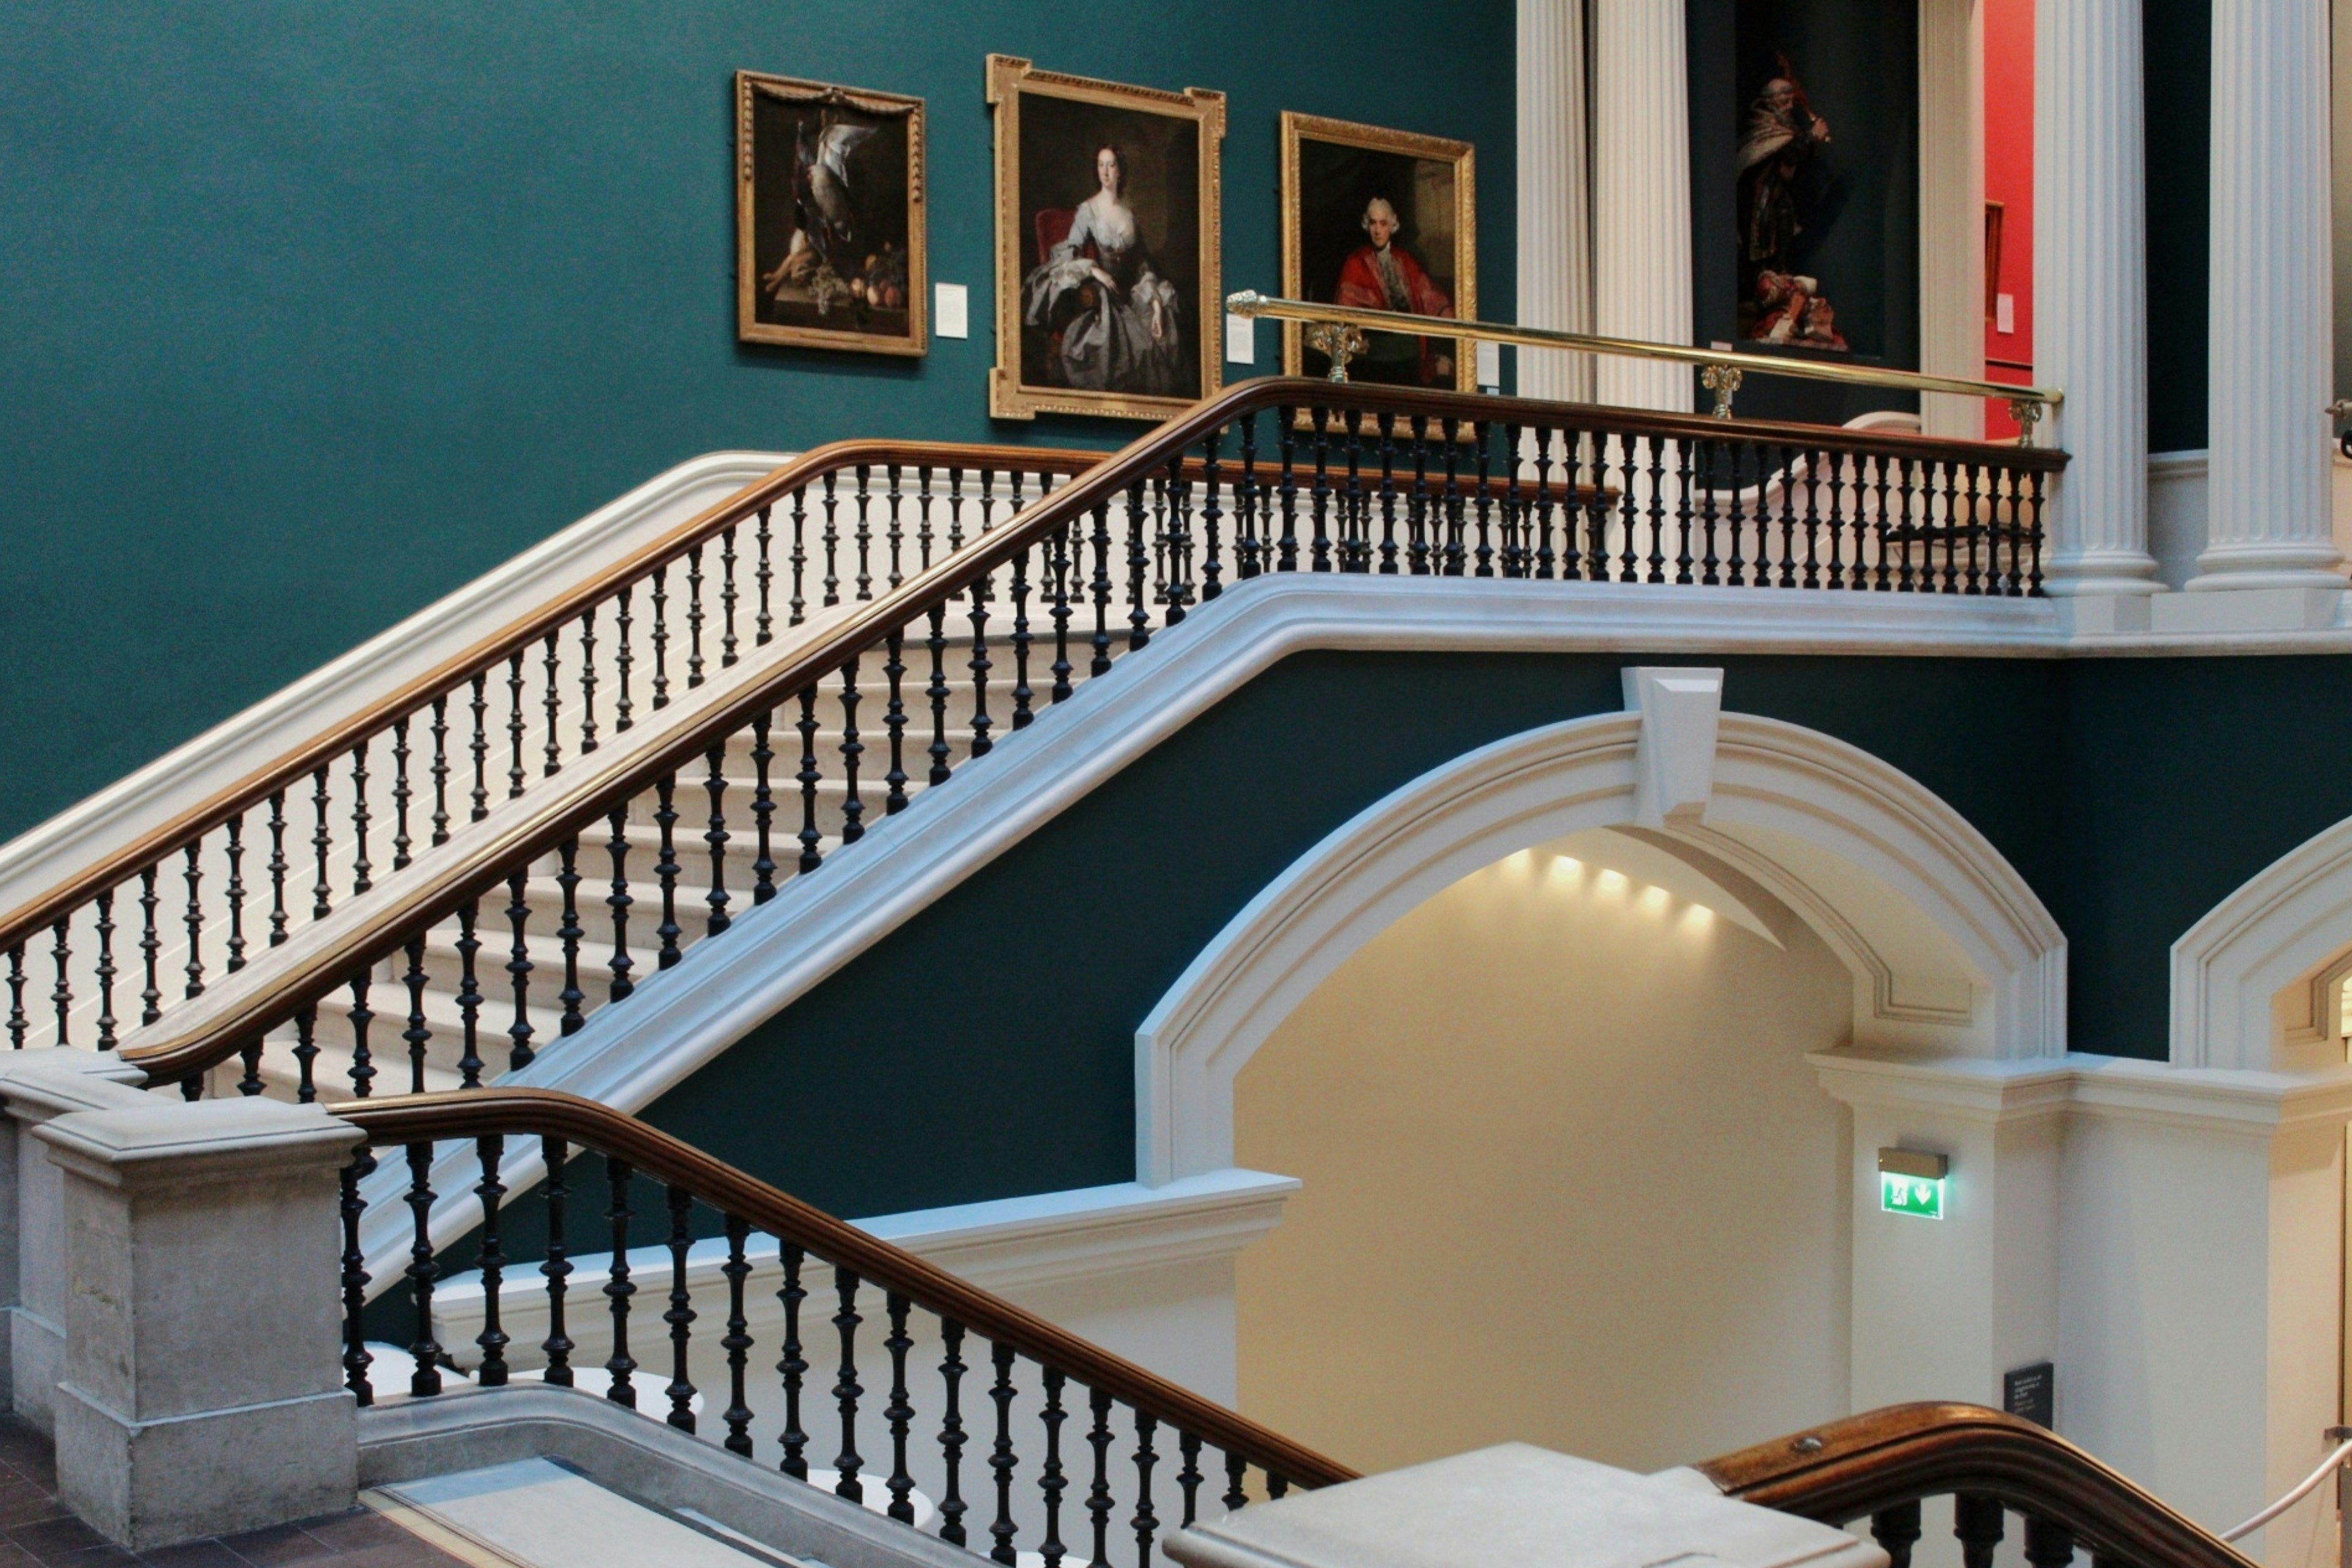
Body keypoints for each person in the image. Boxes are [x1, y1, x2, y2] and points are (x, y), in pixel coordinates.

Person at [1021, 145, 1185, 396]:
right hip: (1106, 295)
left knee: (1165, 318)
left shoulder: (1129, 215)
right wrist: (1094, 270)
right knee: (1114, 343)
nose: (1105, 172)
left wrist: (1153, 303)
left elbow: (1142, 264)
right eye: (1100, 165)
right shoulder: (1088, 210)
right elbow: (1069, 252)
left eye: (1111, 165)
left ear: (1120, 171)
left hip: (1131, 291)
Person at [1332, 197, 1455, 384]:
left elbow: (1427, 293)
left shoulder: (1403, 259)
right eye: (1373, 223)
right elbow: (1347, 306)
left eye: (1383, 223)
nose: (1378, 230)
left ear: (1392, 224)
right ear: (1367, 225)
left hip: (1409, 350)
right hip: (1375, 353)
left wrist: (1449, 317)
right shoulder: (1356, 262)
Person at [1737, 75, 1831, 277]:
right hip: (1761, 200)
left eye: (1791, 101)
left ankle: (1779, 274)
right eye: (1784, 101)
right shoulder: (1763, 126)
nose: (1789, 107)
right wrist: (1813, 137)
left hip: (1776, 197)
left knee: (1783, 229)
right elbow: (1790, 152)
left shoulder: (1783, 126)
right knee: (1767, 238)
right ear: (1770, 103)